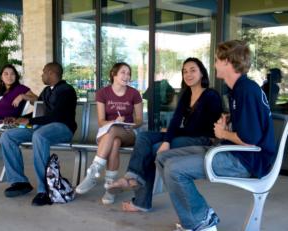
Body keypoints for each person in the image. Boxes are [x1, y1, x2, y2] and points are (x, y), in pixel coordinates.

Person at [156, 40, 276, 231]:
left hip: (247, 161)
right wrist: (228, 123)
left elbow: (250, 140)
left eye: (217, 60)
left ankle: (203, 222)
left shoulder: (246, 90)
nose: (214, 64)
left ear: (227, 61)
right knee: (163, 158)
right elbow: (250, 127)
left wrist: (223, 133)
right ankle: (195, 217)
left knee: (174, 169)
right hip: (234, 152)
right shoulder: (238, 89)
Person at [107, 57, 223, 212]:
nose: (188, 74)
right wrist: (169, 136)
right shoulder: (186, 94)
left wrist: (169, 136)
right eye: (185, 71)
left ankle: (141, 201)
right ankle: (132, 177)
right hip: (186, 135)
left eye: (193, 70)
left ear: (202, 73)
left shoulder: (211, 95)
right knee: (144, 137)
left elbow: (201, 128)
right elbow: (176, 120)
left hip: (202, 139)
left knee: (154, 148)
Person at [1, 62, 77, 206]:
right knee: (8, 136)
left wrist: (29, 120)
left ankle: (45, 190)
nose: (41, 75)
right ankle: (19, 182)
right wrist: (20, 119)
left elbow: (56, 116)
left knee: (39, 136)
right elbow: (39, 111)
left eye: (43, 72)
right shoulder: (47, 91)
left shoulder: (67, 90)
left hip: (62, 128)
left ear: (51, 73)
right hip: (42, 127)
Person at [75, 62, 143, 205]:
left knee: (114, 131)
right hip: (106, 132)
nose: (127, 76)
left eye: (128, 73)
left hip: (128, 132)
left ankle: (93, 172)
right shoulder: (103, 93)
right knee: (115, 141)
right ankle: (109, 187)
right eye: (123, 73)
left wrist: (131, 124)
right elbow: (101, 121)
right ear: (114, 74)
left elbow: (139, 120)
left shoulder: (134, 93)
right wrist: (113, 122)